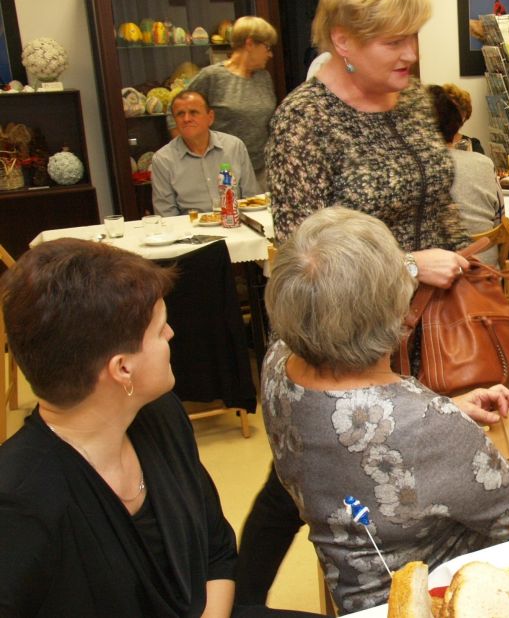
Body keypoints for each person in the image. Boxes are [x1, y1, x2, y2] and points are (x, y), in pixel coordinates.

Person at [238, 0, 470, 605]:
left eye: (413, 36)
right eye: (393, 40)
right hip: (341, 343)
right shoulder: (305, 121)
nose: (410, 54)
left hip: (424, 327)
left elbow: (435, 198)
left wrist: (462, 262)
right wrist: (408, 265)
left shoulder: (412, 101)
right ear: (343, 41)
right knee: (320, 490)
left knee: (413, 485)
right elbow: (305, 258)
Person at [261, 207, 509, 613]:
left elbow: (360, 430)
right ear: (395, 310)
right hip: (422, 598)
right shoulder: (426, 427)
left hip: (351, 584)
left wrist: (440, 412)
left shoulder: (277, 363)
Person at [0, 240, 314, 618]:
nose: (171, 335)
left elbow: (216, 552)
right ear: (122, 369)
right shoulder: (19, 503)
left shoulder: (159, 415)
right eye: (160, 328)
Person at [175, 16, 279, 180]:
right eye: (267, 47)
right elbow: (176, 112)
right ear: (250, 44)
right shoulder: (212, 76)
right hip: (222, 172)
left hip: (260, 171)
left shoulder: (264, 77)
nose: (270, 54)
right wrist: (189, 157)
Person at [152, 90, 261, 217]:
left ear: (210, 117)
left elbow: (252, 199)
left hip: (236, 223)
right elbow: (166, 215)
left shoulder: (234, 147)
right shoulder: (163, 159)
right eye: (180, 114)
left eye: (193, 112)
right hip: (190, 227)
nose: (186, 119)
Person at [428, 84, 503, 266]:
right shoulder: (484, 163)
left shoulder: (416, 168)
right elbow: (499, 219)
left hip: (436, 270)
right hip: (486, 268)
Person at [441, 82, 485, 155]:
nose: (453, 116)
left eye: (458, 111)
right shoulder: (429, 144)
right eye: (449, 110)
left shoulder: (474, 146)